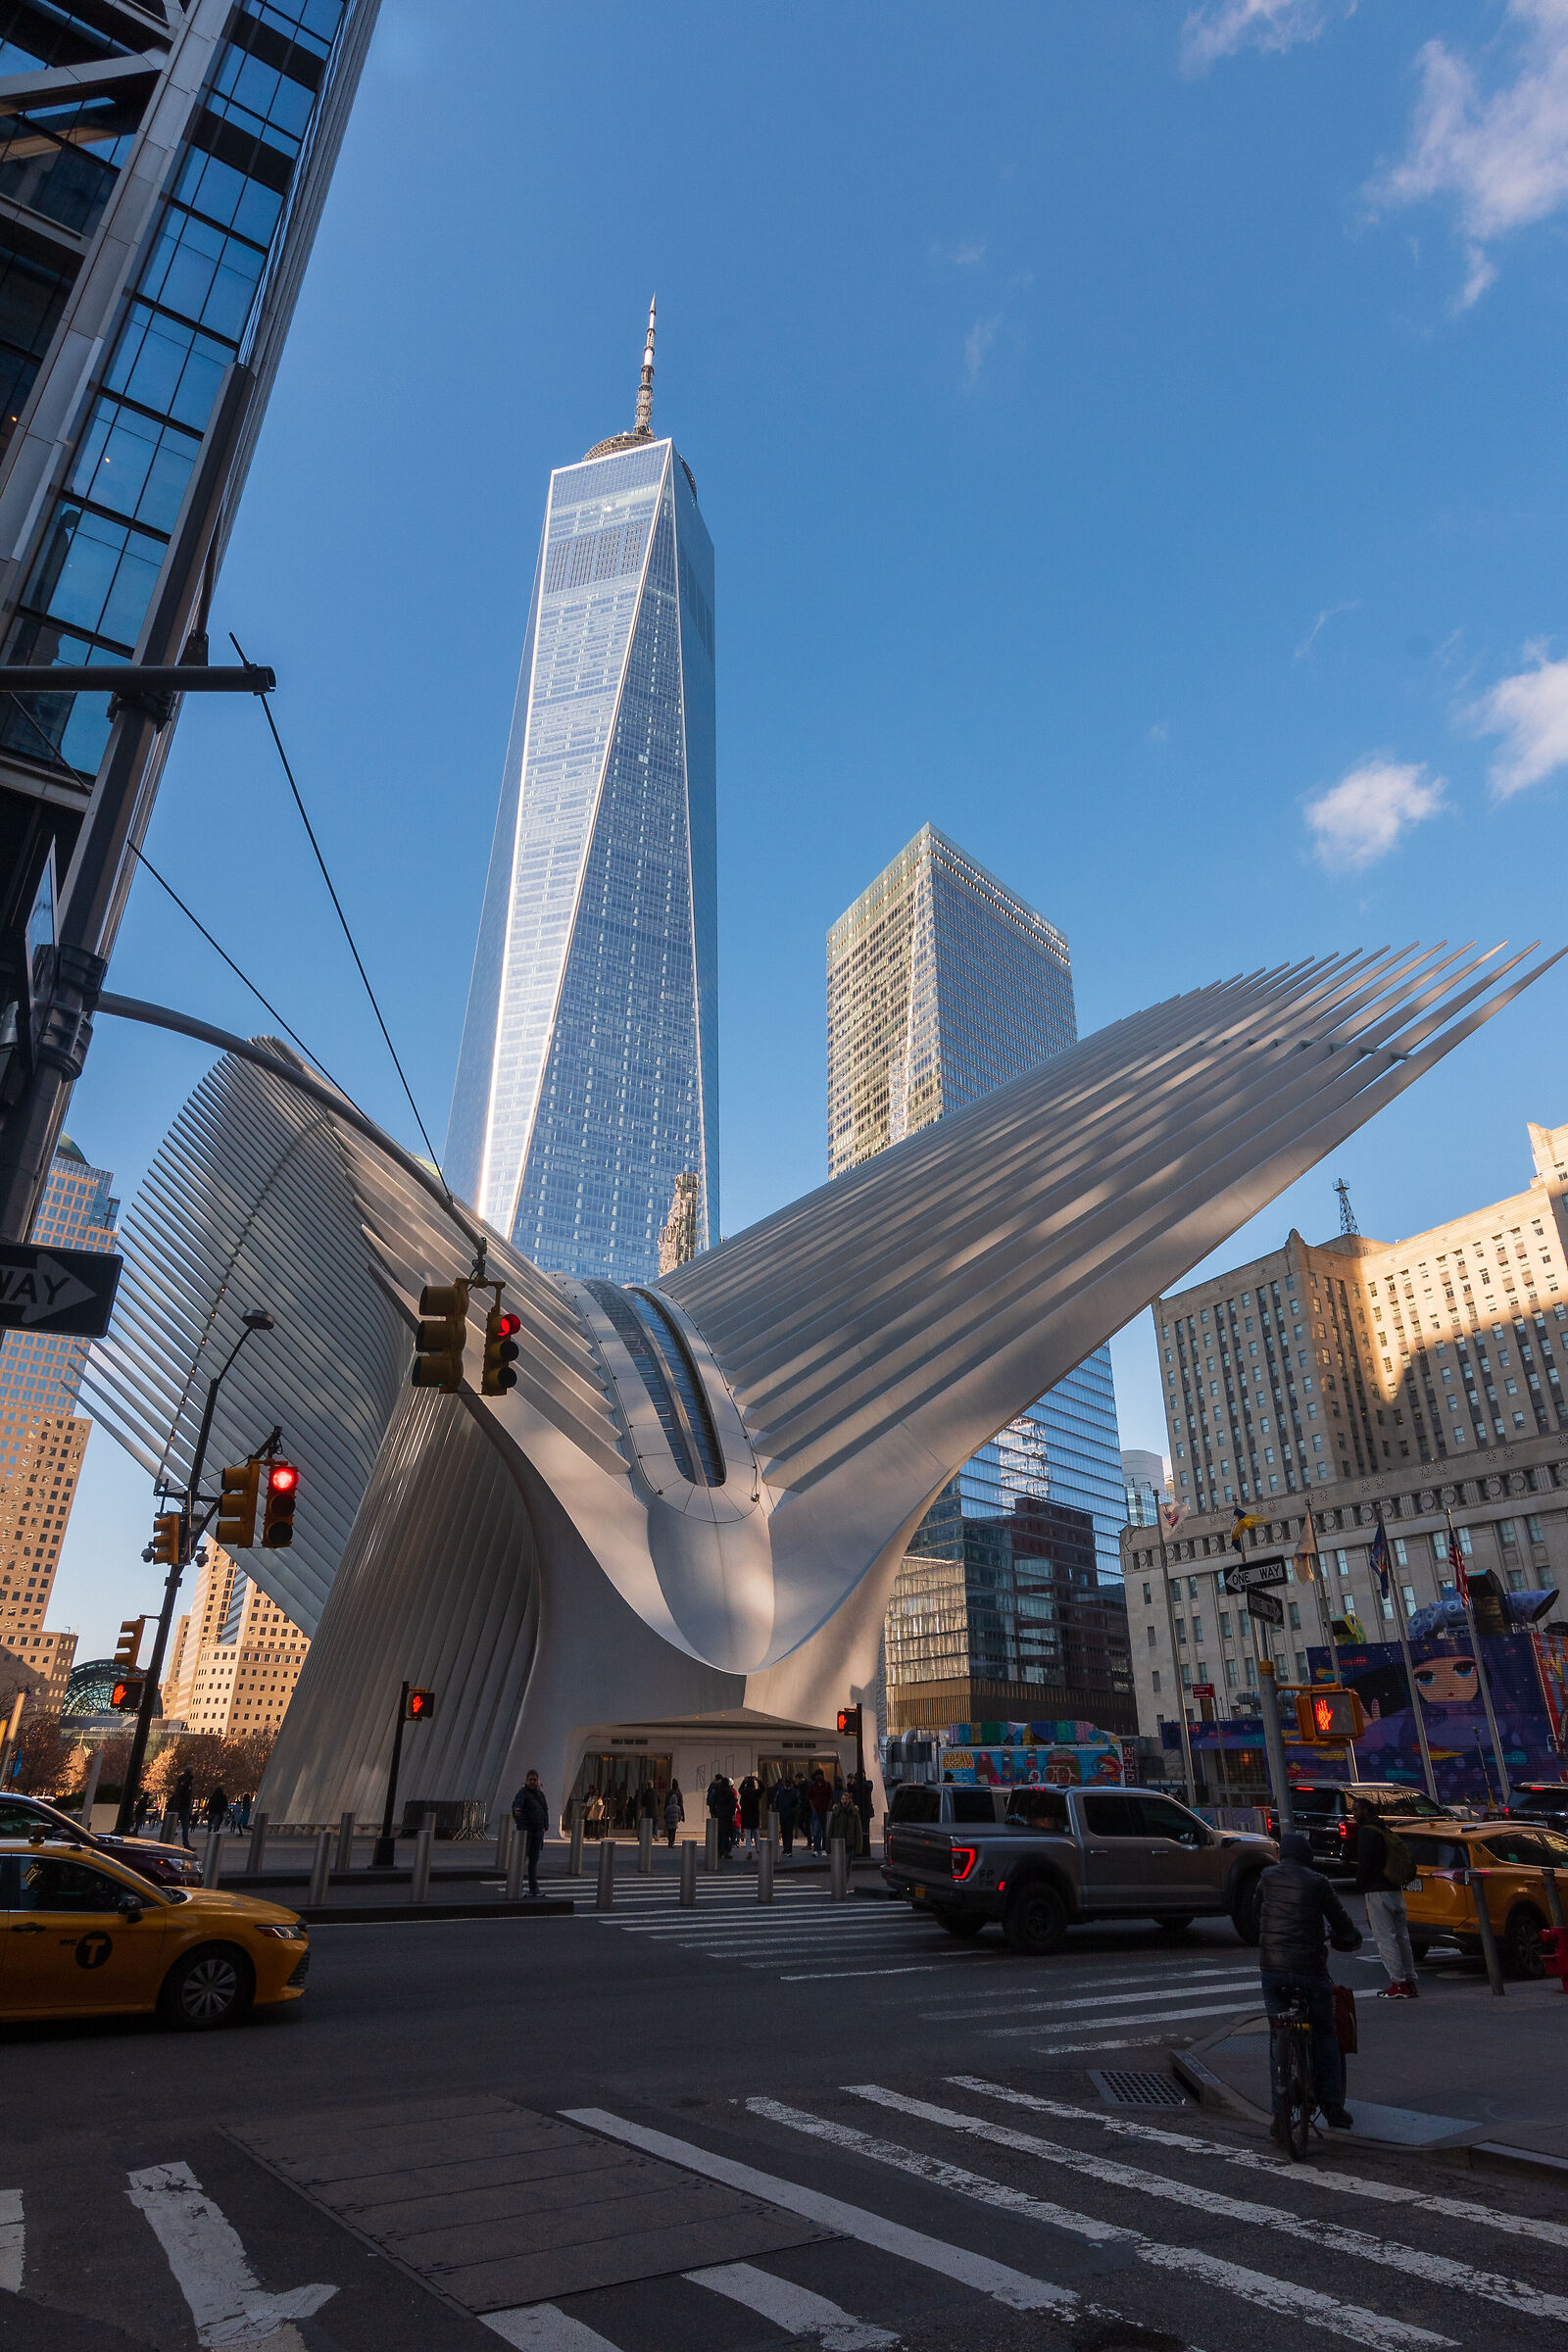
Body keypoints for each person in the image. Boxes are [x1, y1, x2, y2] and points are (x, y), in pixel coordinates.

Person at [1258, 1828, 1363, 2139]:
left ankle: (1279, 2115)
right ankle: (1332, 2105)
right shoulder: (1318, 1882)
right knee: (1326, 2033)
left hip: (1273, 1969)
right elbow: (1343, 1923)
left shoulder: (1266, 1876)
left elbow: (1255, 1912)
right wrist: (1350, 1940)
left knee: (1278, 2036)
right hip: (1309, 1970)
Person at [1354, 1799, 1419, 1999]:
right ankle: (1409, 1981)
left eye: (1356, 1809)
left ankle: (1398, 1983)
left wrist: (1360, 1882)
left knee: (1385, 1939)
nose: (1354, 1813)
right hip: (1395, 1889)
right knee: (1402, 1938)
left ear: (1365, 1810)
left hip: (1377, 1890)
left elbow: (1365, 1862)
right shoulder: (1385, 1830)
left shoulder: (1366, 1832)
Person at [511, 1769, 550, 1897]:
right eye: (530, 1779)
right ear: (526, 1781)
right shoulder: (522, 1793)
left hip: (537, 1832)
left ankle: (534, 1888)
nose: (533, 1782)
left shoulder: (540, 1795)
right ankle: (518, 1887)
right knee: (521, 1860)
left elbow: (544, 1810)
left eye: (535, 1779)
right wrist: (522, 1824)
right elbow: (517, 1807)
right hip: (527, 1832)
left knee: (533, 1861)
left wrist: (545, 1825)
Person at [707, 1771, 736, 1861]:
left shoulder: (717, 1792)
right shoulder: (730, 1793)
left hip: (718, 1814)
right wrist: (731, 1814)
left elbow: (712, 1803)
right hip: (726, 1816)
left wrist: (713, 1812)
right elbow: (732, 1805)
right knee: (726, 1835)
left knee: (719, 1834)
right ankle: (725, 1851)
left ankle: (719, 1851)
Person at [828, 1787, 862, 1860]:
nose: (844, 1801)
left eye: (846, 1799)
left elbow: (858, 1830)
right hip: (838, 1841)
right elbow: (831, 1829)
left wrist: (858, 1848)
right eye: (843, 1799)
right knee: (839, 1863)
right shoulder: (837, 1812)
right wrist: (828, 1846)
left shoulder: (854, 1812)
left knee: (847, 1863)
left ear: (849, 1800)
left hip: (849, 1843)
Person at [771, 1774, 800, 1857]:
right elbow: (775, 1801)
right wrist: (777, 1810)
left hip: (790, 1815)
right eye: (786, 1783)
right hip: (782, 1814)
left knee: (789, 1833)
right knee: (784, 1832)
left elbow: (798, 1803)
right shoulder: (780, 1791)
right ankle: (785, 1848)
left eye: (789, 1783)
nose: (787, 1784)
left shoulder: (794, 1792)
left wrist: (794, 1810)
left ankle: (789, 1849)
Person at [807, 1769, 833, 1855]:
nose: (818, 1777)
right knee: (817, 1830)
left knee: (824, 1830)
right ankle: (816, 1849)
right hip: (816, 1810)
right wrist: (813, 1808)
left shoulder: (827, 1785)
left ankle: (824, 1848)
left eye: (819, 1775)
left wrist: (828, 1807)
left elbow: (830, 1797)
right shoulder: (813, 1786)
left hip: (824, 1810)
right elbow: (810, 1797)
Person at [739, 1772, 761, 1860]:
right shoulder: (756, 1793)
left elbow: (740, 1790)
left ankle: (749, 1851)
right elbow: (763, 1789)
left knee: (748, 1835)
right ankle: (759, 1849)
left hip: (746, 1815)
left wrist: (744, 1781)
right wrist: (758, 1781)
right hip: (755, 1814)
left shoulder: (744, 1793)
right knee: (756, 1833)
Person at [663, 1780, 684, 1846]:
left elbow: (666, 1804)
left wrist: (665, 1814)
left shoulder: (669, 1793)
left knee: (669, 1829)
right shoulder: (679, 1794)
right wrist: (682, 1816)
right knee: (673, 1831)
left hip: (669, 1817)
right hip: (675, 1819)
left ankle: (670, 1840)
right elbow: (681, 1805)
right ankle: (672, 1842)